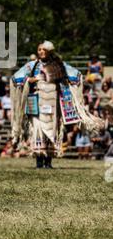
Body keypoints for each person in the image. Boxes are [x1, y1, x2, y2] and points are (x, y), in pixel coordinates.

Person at [11, 41, 103, 169]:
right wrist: (32, 80)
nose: (41, 52)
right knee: (38, 130)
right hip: (37, 102)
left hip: (53, 103)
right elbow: (16, 79)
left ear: (49, 51)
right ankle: (39, 161)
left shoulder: (58, 65)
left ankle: (48, 162)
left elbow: (75, 76)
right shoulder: (31, 66)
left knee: (52, 130)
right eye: (39, 49)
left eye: (44, 49)